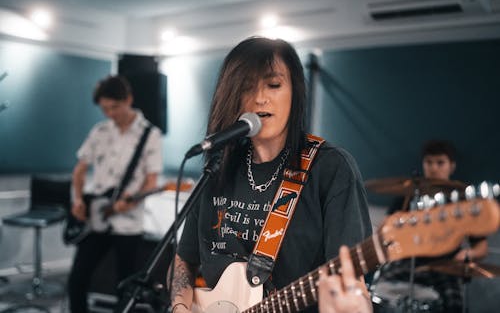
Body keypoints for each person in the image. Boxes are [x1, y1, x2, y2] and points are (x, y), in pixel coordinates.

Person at [169, 36, 372, 313]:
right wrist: (180, 306)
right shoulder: (217, 168)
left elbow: (351, 278)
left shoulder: (331, 168)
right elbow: (184, 258)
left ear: (295, 92)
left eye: (273, 85)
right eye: (246, 88)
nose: (260, 98)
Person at [67, 75, 163, 313]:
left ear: (128, 99)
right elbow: (79, 170)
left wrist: (129, 203)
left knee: (126, 286)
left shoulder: (150, 134)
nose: (110, 113)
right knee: (76, 279)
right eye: (105, 109)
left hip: (128, 223)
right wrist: (78, 200)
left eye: (115, 107)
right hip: (95, 219)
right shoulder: (99, 131)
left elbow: (152, 180)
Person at [377, 139, 488, 312]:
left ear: (452, 166)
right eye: (429, 162)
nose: (434, 168)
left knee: (454, 304)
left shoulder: (462, 200)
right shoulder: (407, 195)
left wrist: (467, 254)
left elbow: (481, 247)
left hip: (445, 267)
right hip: (406, 262)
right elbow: (382, 232)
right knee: (378, 294)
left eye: (440, 163)